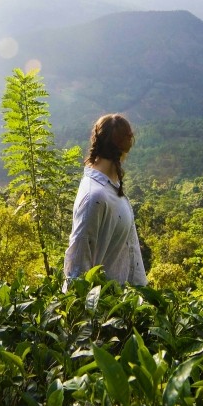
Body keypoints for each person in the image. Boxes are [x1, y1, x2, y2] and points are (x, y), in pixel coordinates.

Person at [64, 113, 147, 286]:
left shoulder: (109, 189)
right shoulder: (94, 197)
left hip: (121, 306)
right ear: (126, 145)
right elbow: (77, 268)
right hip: (103, 308)